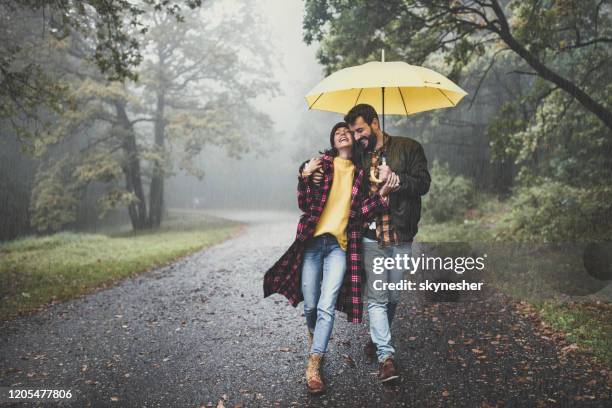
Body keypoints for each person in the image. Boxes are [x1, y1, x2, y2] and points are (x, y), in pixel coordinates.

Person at [263, 122, 398, 394]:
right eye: (337, 132)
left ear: (351, 139)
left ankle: (314, 364)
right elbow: (304, 202)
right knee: (311, 305)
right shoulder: (321, 165)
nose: (342, 133)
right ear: (332, 141)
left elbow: (360, 213)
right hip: (312, 244)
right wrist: (303, 174)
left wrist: (382, 194)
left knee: (326, 306)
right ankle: (316, 338)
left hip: (339, 246)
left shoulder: (361, 174)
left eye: (346, 131)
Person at [344, 103, 431, 383]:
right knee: (378, 299)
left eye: (360, 130)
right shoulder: (358, 157)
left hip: (401, 235)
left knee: (392, 296)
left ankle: (376, 338)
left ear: (374, 122)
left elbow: (423, 184)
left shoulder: (409, 147)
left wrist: (396, 179)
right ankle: (386, 357)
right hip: (371, 238)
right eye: (353, 132)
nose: (357, 136)